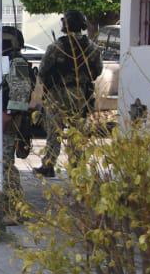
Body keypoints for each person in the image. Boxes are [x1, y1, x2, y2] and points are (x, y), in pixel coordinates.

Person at [34, 10, 103, 177]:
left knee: (54, 131)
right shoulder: (92, 48)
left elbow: (42, 72)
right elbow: (98, 70)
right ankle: (77, 167)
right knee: (77, 131)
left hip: (57, 94)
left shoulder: (56, 47)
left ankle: (49, 165)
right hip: (81, 94)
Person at [1, 25, 34, 204]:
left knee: (5, 164)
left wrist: (8, 113)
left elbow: (21, 91)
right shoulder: (5, 60)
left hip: (9, 120)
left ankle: (14, 207)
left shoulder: (17, 61)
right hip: (2, 118)